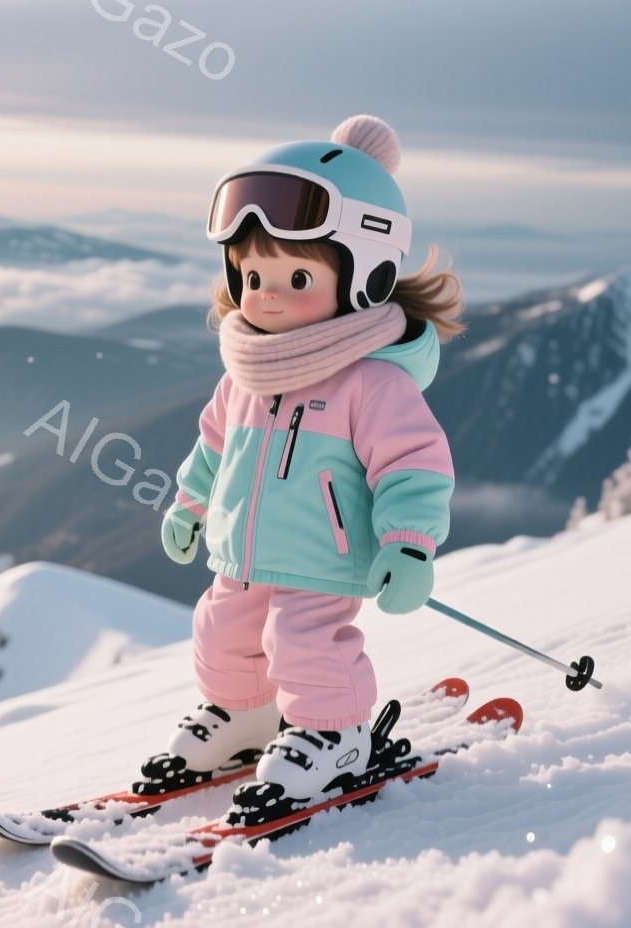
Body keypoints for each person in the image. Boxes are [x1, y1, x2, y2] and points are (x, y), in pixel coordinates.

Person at [151, 114, 465, 806]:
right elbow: (213, 446)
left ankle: (335, 732)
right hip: (242, 551)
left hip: (324, 555)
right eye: (252, 274)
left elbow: (414, 462)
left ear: (364, 277)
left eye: (297, 277)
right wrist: (190, 505)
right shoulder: (245, 376)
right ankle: (244, 714)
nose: (267, 294)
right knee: (222, 628)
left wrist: (409, 543)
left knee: (305, 640)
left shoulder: (369, 382)